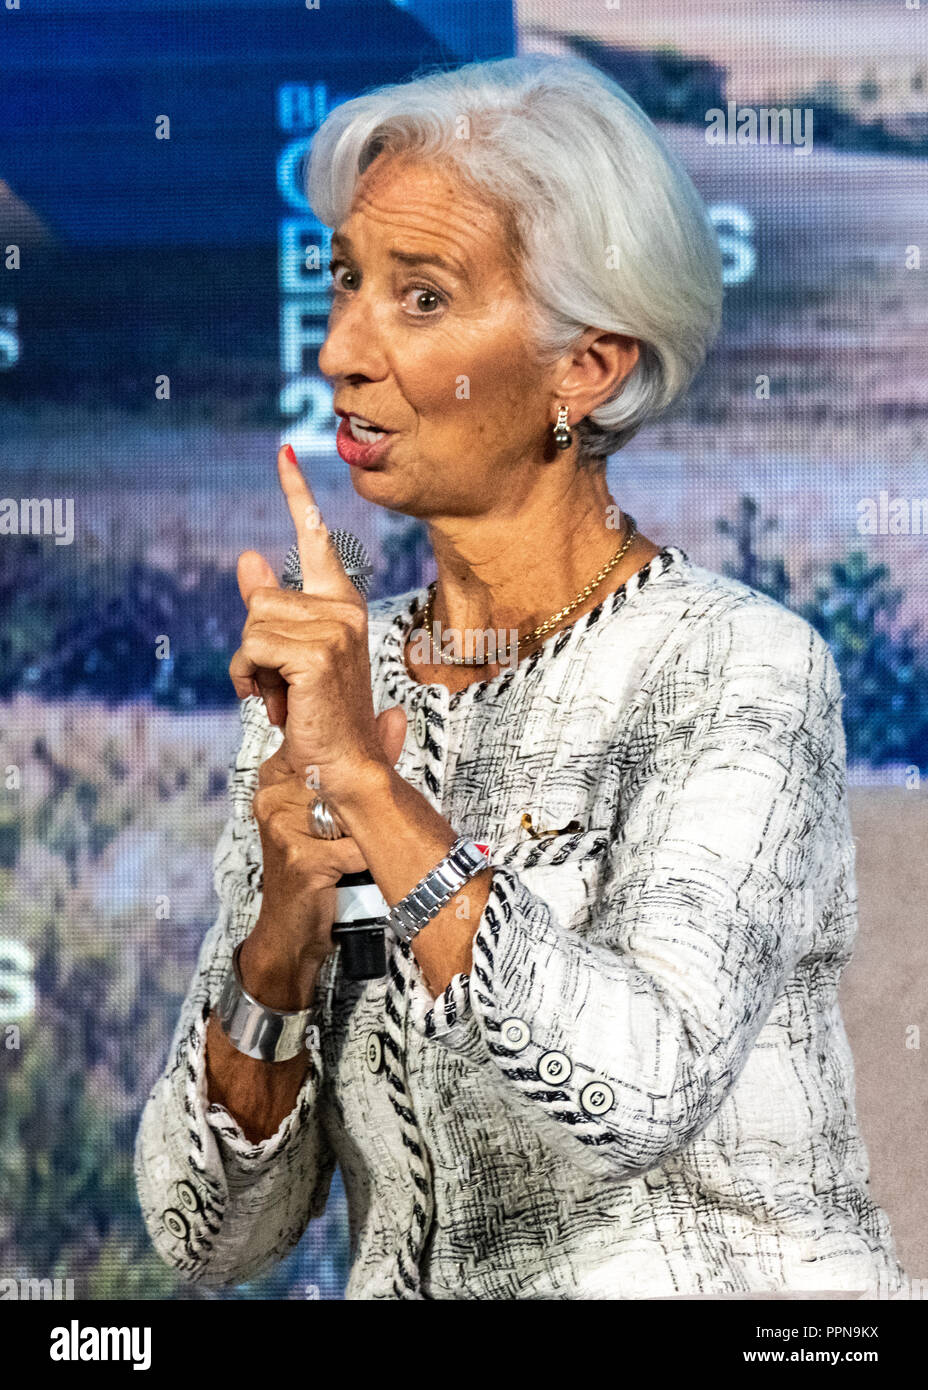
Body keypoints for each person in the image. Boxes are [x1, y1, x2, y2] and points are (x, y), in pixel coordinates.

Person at [134, 54, 908, 1299]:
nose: (340, 348)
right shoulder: (335, 677)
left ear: (586, 367)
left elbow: (636, 1086)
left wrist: (376, 805)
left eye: (421, 297)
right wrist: (283, 920)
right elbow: (206, 1235)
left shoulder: (738, 666)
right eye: (344, 282)